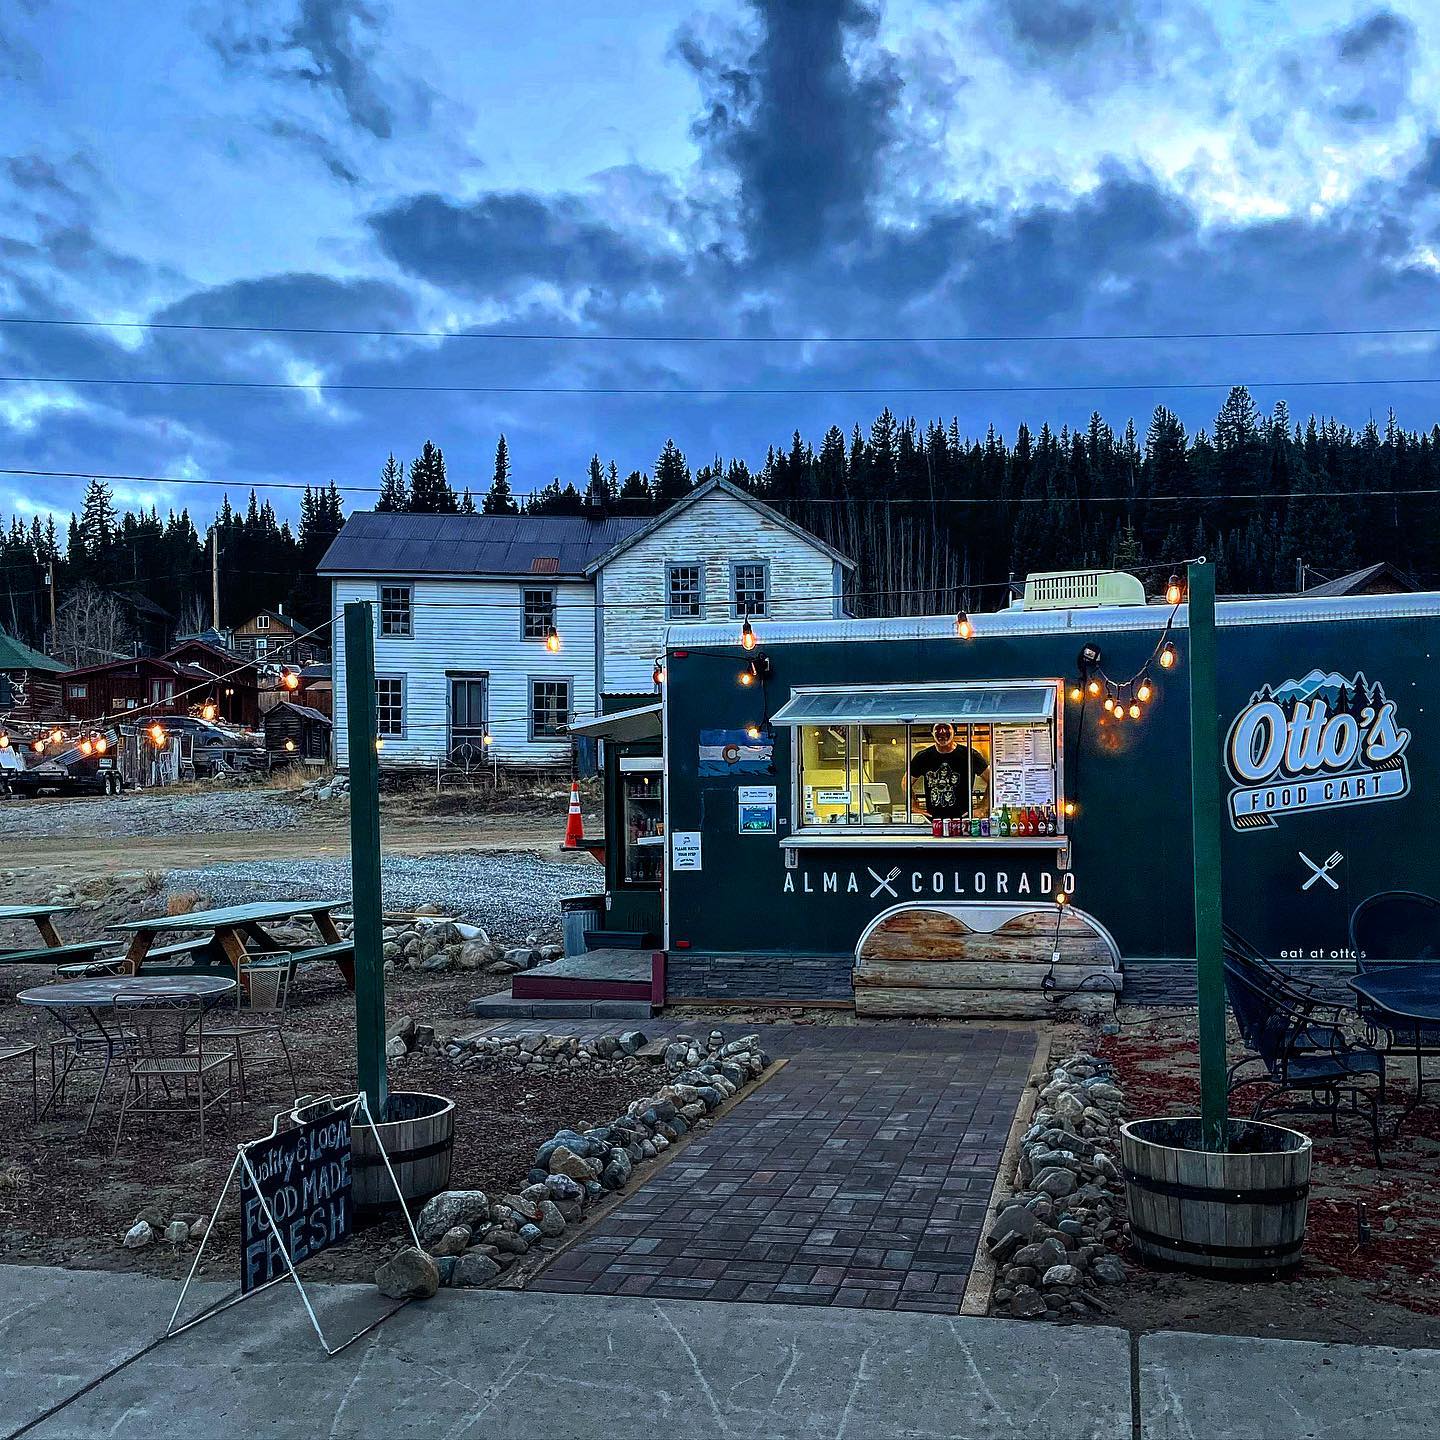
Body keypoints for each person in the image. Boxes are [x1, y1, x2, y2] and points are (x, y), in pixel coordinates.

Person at [907, 722, 988, 819]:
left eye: (946, 727)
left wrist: (983, 808)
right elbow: (906, 782)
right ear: (932, 732)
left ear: (954, 731)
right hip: (934, 821)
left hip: (963, 820)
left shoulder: (969, 755)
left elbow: (992, 780)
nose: (942, 731)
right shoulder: (923, 756)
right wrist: (914, 806)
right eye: (938, 728)